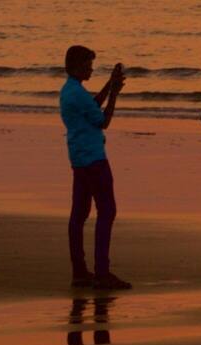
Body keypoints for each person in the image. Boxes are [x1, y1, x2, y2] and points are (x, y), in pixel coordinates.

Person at [61, 45, 132, 290]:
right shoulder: (76, 93)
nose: (91, 69)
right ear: (77, 66)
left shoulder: (70, 91)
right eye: (88, 65)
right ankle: (102, 271)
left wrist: (109, 86)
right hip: (93, 157)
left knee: (79, 214)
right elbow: (103, 120)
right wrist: (114, 94)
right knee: (107, 211)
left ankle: (79, 271)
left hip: (79, 158)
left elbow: (91, 106)